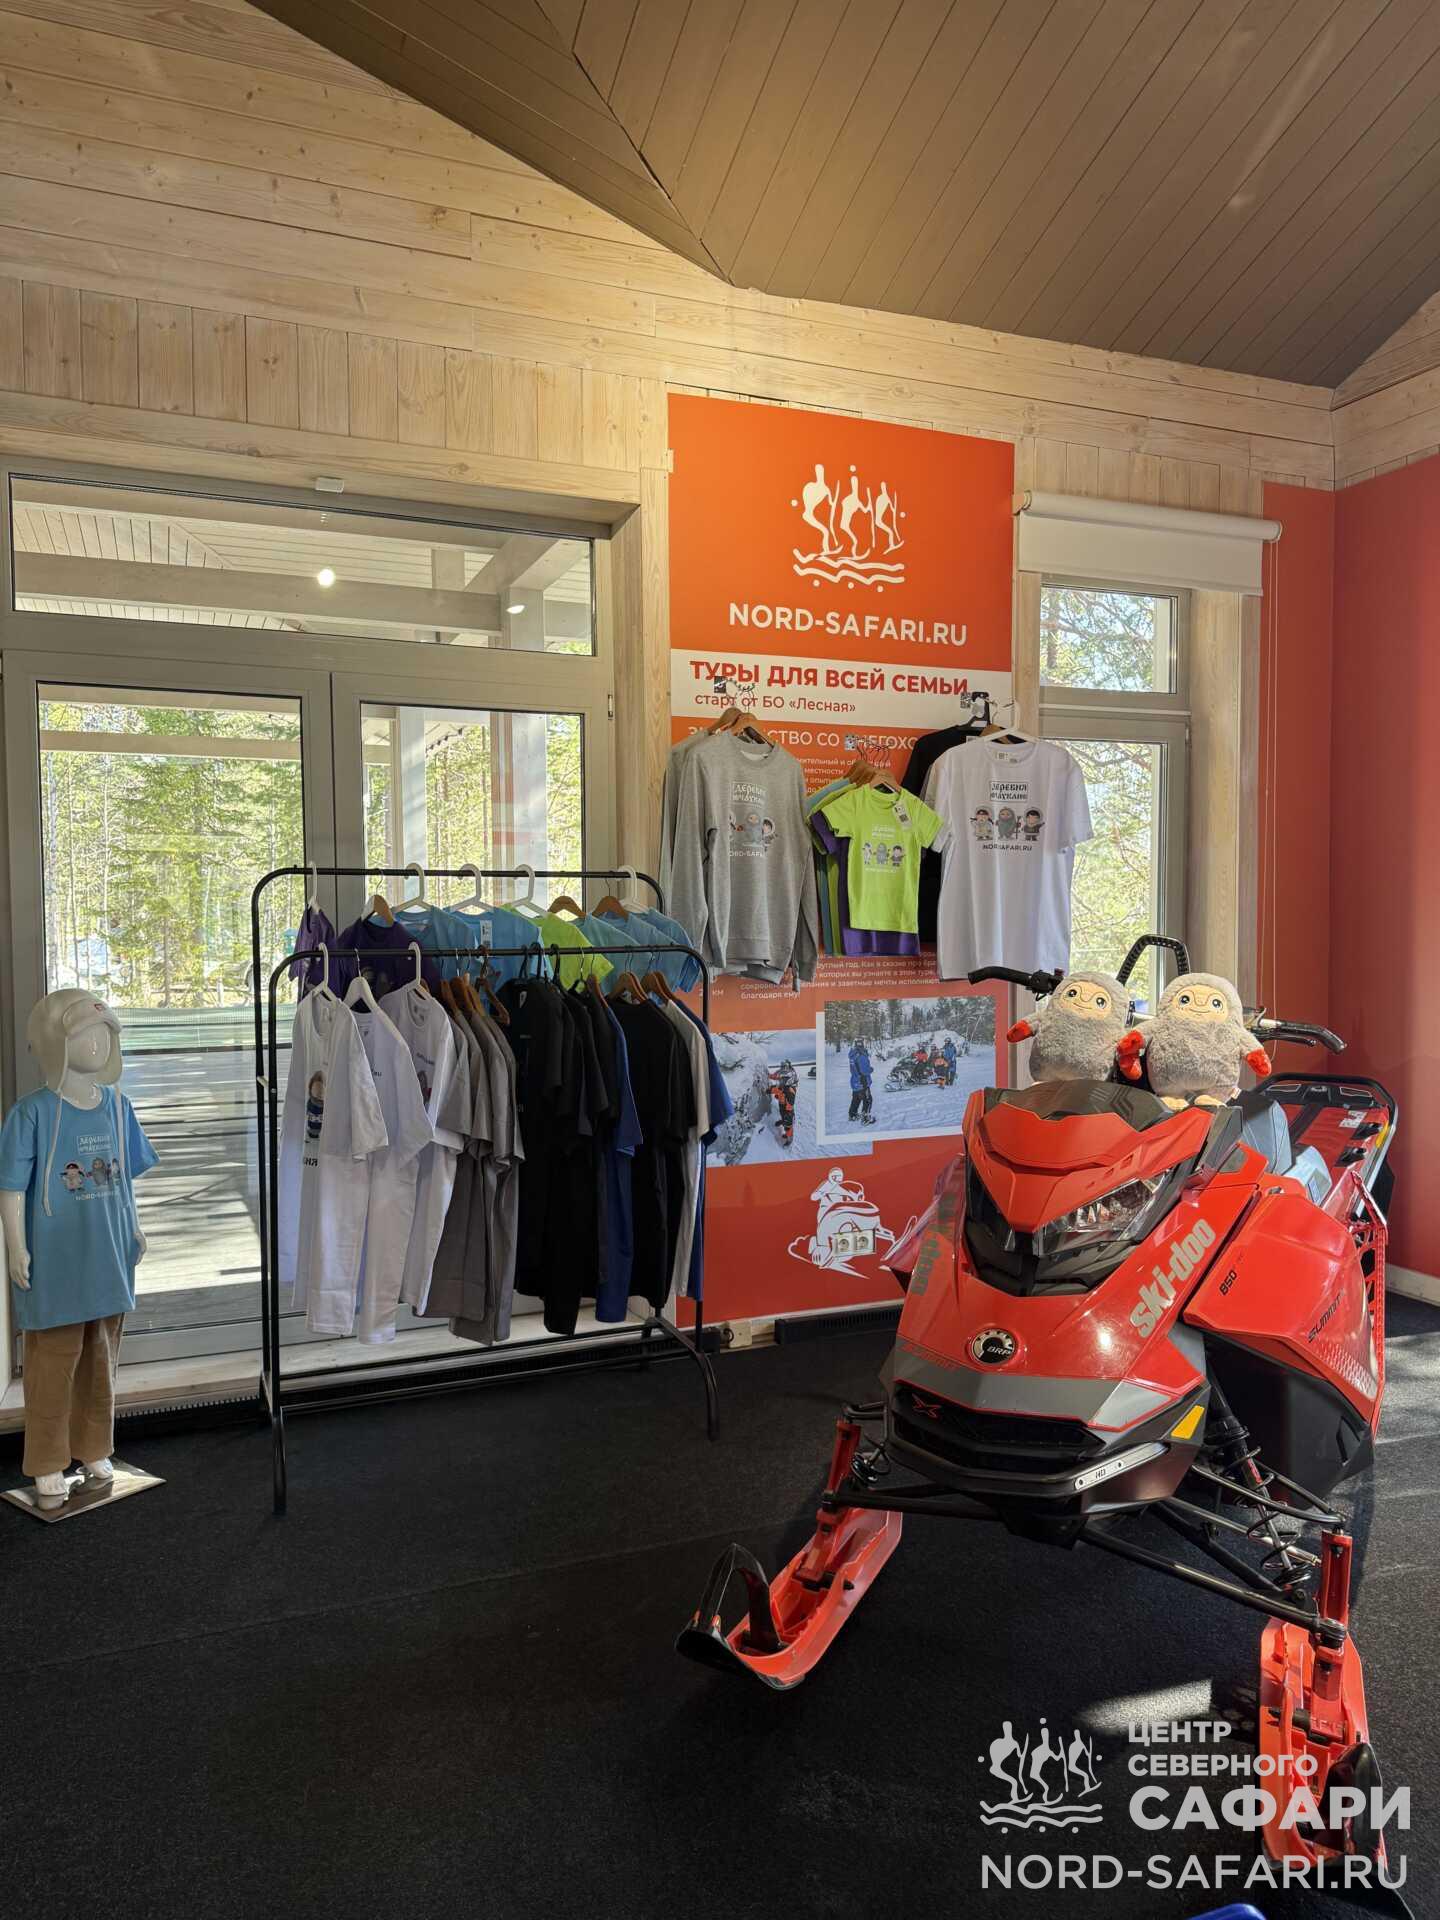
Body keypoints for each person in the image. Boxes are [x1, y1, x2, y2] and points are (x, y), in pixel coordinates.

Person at [847, 1040, 874, 1123]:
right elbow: (864, 1070)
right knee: (868, 1099)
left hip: (855, 1081)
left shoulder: (853, 1055)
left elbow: (853, 1069)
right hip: (863, 1082)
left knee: (856, 1098)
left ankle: (852, 1115)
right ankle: (866, 1118)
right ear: (862, 1045)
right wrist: (871, 1069)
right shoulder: (861, 1056)